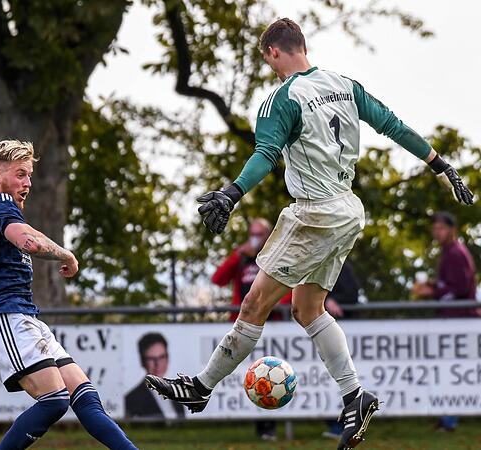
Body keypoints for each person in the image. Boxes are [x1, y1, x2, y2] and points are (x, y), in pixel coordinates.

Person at [145, 18, 475, 450]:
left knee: (253, 303)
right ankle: (355, 396)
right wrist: (441, 165)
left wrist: (231, 193)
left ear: (274, 52)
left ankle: (202, 386)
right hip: (347, 210)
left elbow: (265, 154)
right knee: (307, 307)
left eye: (267, 59)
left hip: (314, 212)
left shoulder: (282, 98)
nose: (270, 67)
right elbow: (392, 125)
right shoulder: (344, 84)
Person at [0, 140, 137, 450]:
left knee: (84, 395)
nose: (28, 183)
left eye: (29, 175)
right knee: (55, 400)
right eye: (20, 174)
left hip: (21, 314)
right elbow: (29, 243)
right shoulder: (0, 205)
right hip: (6, 314)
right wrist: (65, 254)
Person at [211, 217, 292, 440]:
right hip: (243, 328)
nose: (255, 239)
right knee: (250, 376)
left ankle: (270, 427)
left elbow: (290, 290)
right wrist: (238, 254)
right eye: (252, 234)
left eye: (259, 234)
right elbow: (217, 279)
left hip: (271, 326)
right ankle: (259, 426)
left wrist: (270, 305)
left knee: (271, 374)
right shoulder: (242, 259)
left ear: (268, 235)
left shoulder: (277, 256)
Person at [411, 211, 478, 432]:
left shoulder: (456, 253)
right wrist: (433, 285)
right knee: (450, 370)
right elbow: (450, 284)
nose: (437, 231)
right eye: (435, 227)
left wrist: (431, 290)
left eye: (441, 227)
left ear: (452, 230)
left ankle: (449, 420)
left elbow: (458, 289)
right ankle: (447, 418)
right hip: (453, 320)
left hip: (459, 321)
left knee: (455, 370)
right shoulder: (450, 252)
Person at [321, 260, 361, 440]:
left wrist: (331, 301)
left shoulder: (341, 266)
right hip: (323, 335)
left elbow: (352, 295)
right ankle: (336, 424)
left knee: (345, 378)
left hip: (342, 332)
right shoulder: (315, 264)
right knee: (327, 379)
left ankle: (348, 425)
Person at [125, 333, 185, 420]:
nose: (157, 364)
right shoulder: (132, 400)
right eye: (151, 359)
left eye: (162, 357)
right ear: (142, 361)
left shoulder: (176, 394)